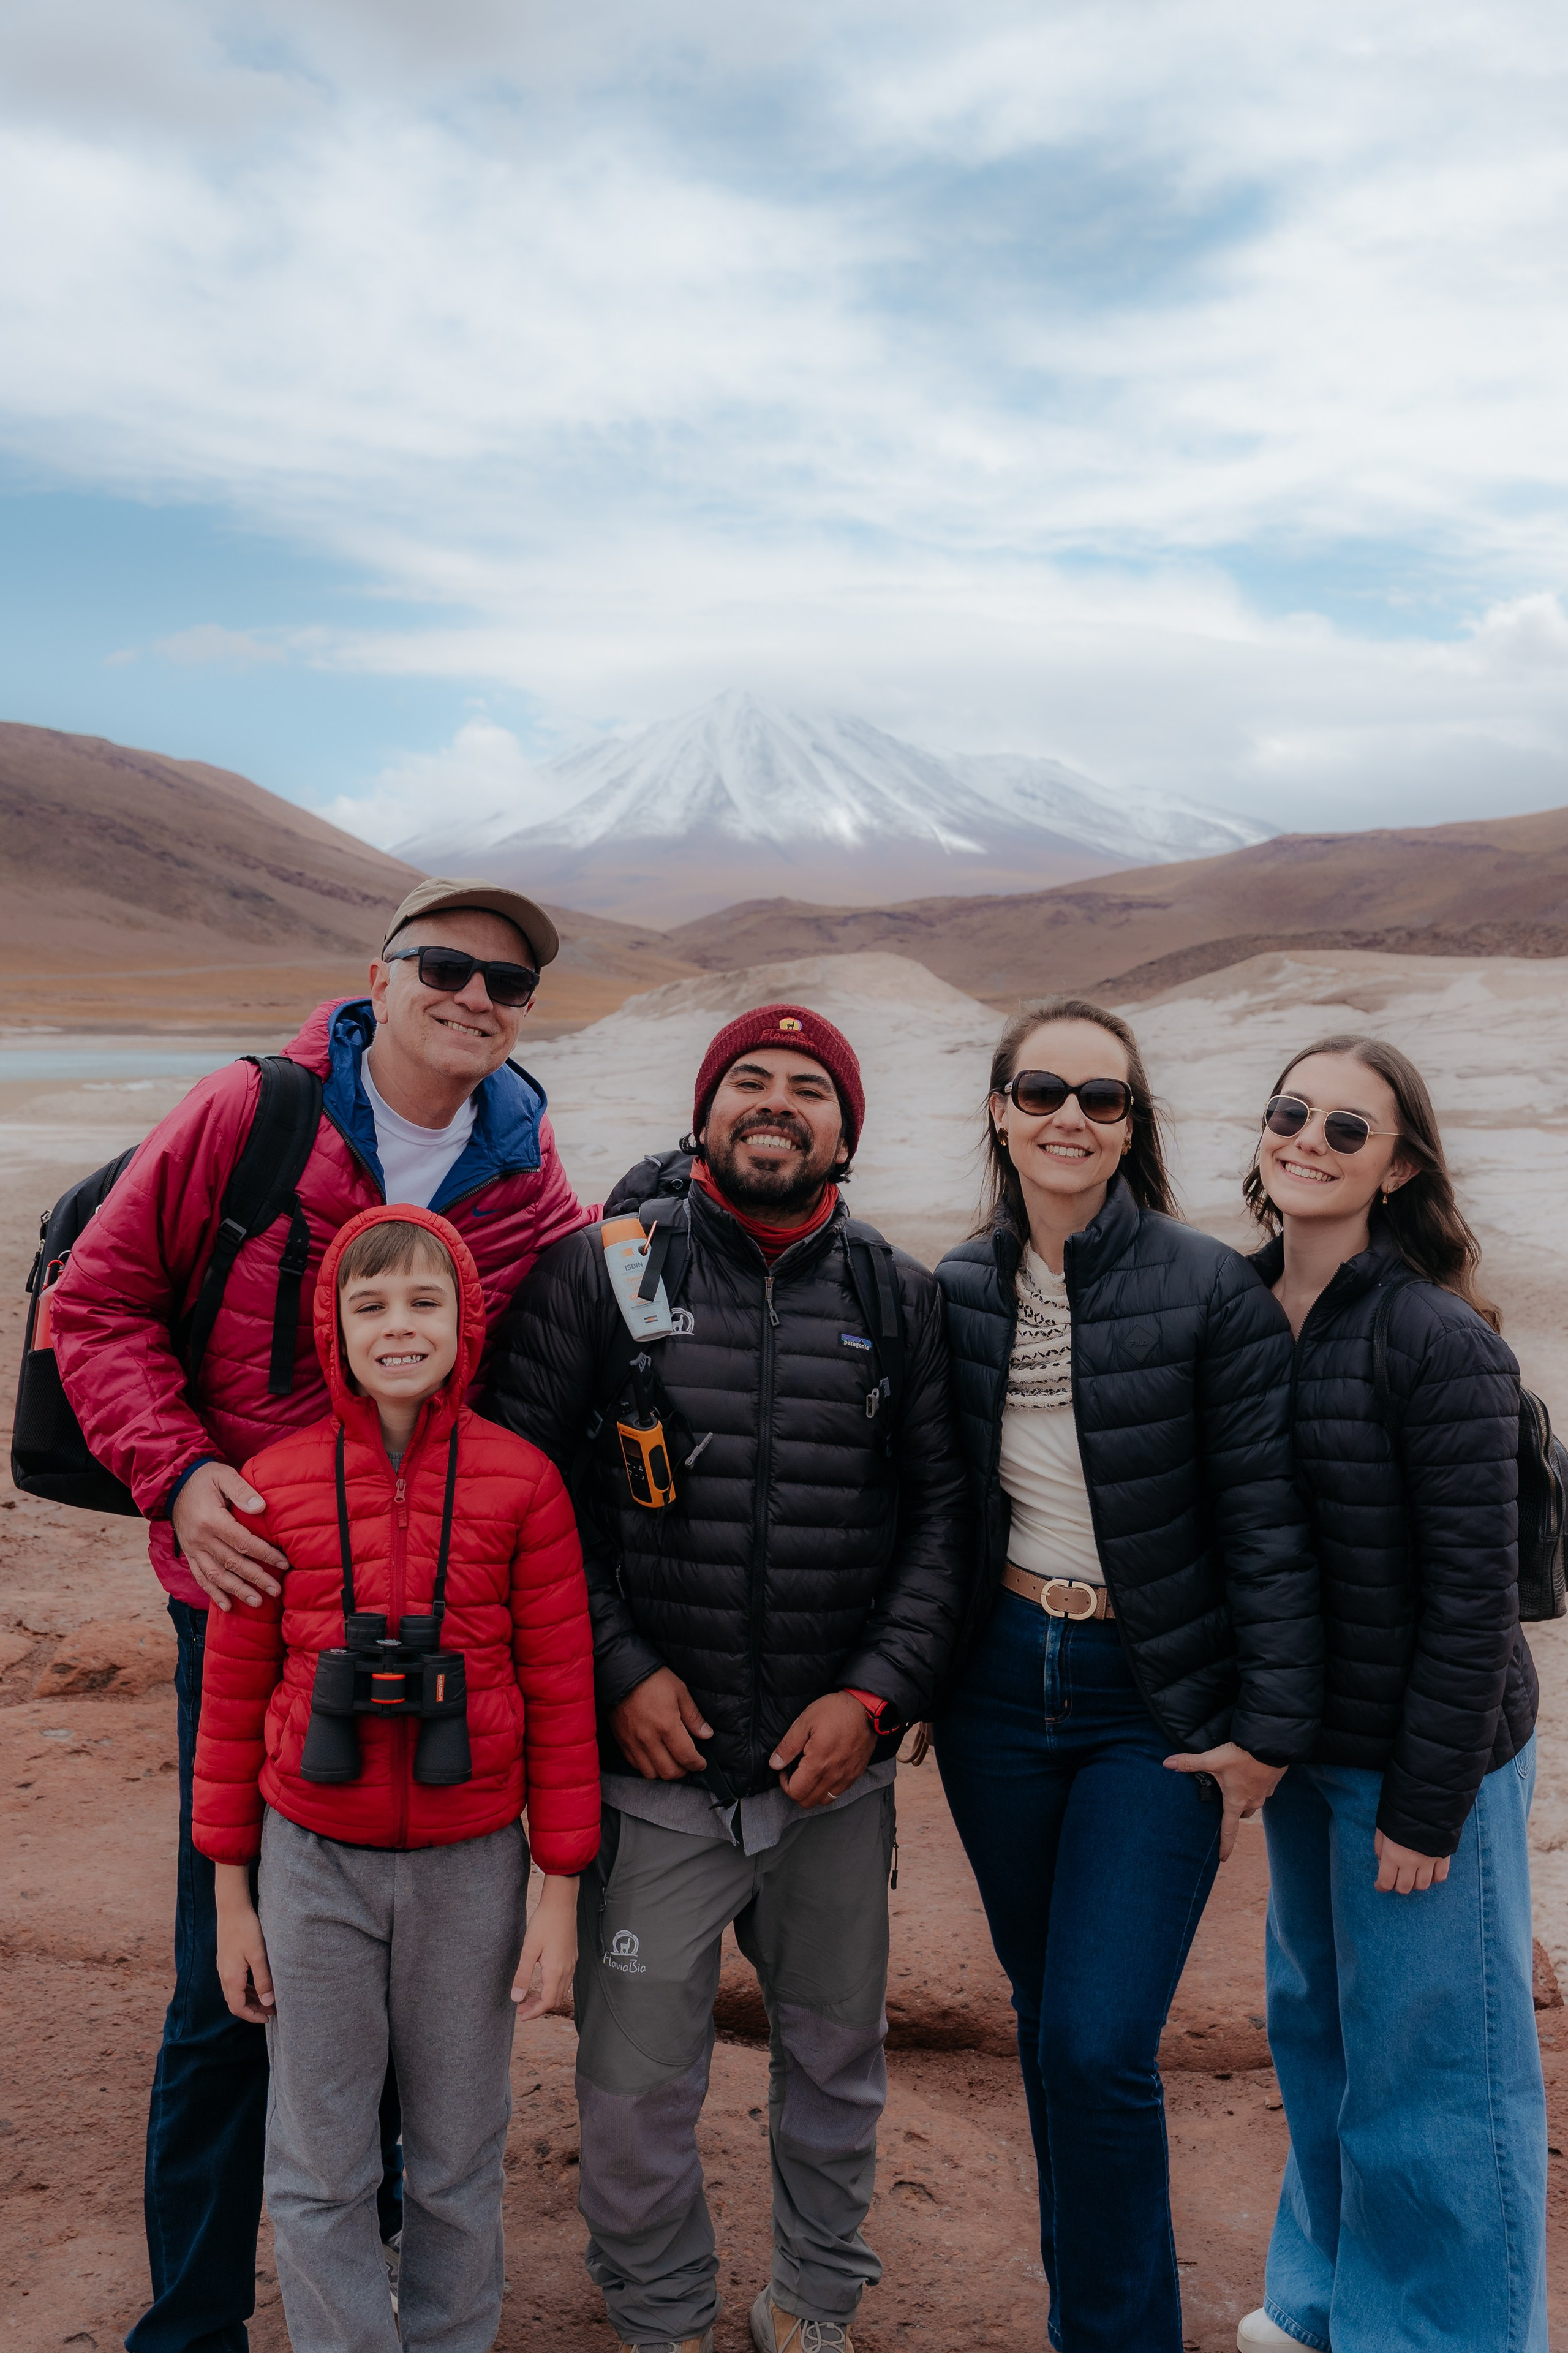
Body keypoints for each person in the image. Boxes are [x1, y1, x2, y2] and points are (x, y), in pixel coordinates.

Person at [49, 878, 593, 2353]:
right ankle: (197, 2323)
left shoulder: (521, 1161)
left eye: (508, 981)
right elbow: (92, 1310)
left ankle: (395, 2303)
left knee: (422, 2008)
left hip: (430, 1624)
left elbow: (572, 1308)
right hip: (251, 1598)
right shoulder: (252, 1114)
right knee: (235, 1983)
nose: (475, 995)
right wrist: (184, 1475)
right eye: (446, 965)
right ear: (379, 974)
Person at [483, 1002, 970, 2353]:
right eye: (745, 1080)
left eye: (807, 1088)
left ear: (845, 1131)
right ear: (702, 1114)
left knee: (833, 2062)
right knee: (633, 2084)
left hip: (832, 1777)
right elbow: (515, 1497)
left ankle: (812, 2304)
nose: (773, 1103)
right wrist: (614, 1668)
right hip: (654, 1781)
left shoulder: (897, 1294)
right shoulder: (605, 1272)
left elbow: (944, 1524)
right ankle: (661, 2313)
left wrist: (873, 1694)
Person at [932, 995, 1321, 2353]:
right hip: (995, 1691)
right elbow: (938, 1513)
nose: (1068, 1120)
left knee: (1098, 2041)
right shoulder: (960, 1289)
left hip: (1145, 1702)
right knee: (1051, 2030)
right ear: (998, 1109)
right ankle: (1085, 2324)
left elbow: (1265, 1523)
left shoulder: (1203, 1287)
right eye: (1041, 1091)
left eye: (1101, 1100)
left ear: (1130, 1126)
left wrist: (1266, 1727)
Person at [191, 1205, 599, 2352]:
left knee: (459, 2154)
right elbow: (229, 1709)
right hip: (310, 1861)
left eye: (425, 1300)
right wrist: (232, 1897)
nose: (399, 1325)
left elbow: (564, 1695)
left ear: (466, 1319)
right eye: (368, 1304)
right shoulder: (273, 1484)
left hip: (474, 1865)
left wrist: (557, 1894)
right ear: (332, 1329)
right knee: (319, 2156)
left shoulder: (523, 1485)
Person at [1234, 1035, 1544, 2353]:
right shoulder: (1238, 1310)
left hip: (1432, 1764)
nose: (1307, 1139)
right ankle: (1320, 2303)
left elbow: (1471, 1599)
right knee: (1317, 2035)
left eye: (1344, 1128)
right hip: (1307, 1753)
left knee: (1438, 2070)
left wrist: (1423, 1807)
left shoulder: (1435, 1339)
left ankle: (1449, 2337)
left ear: (1398, 1163)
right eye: (1289, 1112)